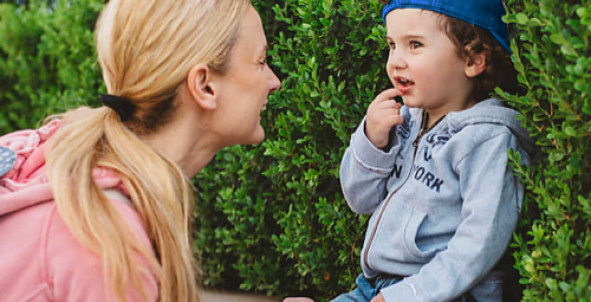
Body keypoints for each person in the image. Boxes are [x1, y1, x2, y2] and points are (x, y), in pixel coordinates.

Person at [0, 0, 280, 301]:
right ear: (204, 85)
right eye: (260, 61)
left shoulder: (67, 156)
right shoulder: (107, 240)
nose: (274, 81)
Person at [285, 0, 536, 302]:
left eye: (414, 45)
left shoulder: (487, 140)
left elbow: (480, 243)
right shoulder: (404, 121)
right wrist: (371, 141)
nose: (395, 62)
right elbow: (359, 200)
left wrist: (408, 295)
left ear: (473, 58)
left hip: (444, 294)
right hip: (375, 287)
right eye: (392, 45)